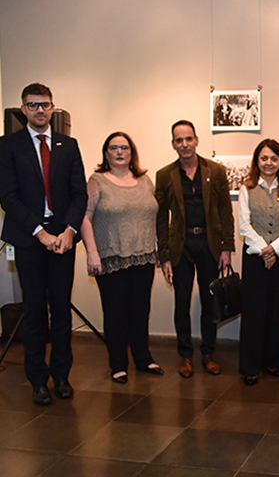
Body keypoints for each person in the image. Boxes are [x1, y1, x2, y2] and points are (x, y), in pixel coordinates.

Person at [0, 83, 87, 405]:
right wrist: (41, 233)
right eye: (33, 105)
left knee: (62, 311)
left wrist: (68, 231)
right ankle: (37, 380)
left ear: (52, 108)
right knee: (35, 312)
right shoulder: (8, 146)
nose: (40, 110)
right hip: (30, 239)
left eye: (45, 105)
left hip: (63, 238)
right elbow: (8, 197)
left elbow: (80, 193)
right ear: (23, 109)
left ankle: (61, 376)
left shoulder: (69, 145)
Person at [80, 132, 163, 384]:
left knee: (140, 311)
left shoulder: (144, 180)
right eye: (113, 147)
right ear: (106, 153)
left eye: (124, 147)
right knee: (116, 313)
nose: (119, 152)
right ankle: (118, 364)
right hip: (111, 258)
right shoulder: (97, 181)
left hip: (144, 257)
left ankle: (143, 358)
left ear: (131, 152)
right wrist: (92, 252)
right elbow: (84, 217)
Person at [155, 120, 235, 378]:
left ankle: (208, 353)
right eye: (179, 140)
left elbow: (226, 211)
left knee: (210, 302)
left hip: (209, 245)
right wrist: (164, 255)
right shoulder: (164, 175)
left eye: (188, 139)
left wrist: (227, 247)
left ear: (197, 140)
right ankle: (185, 355)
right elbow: (160, 218)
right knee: (181, 302)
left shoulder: (216, 170)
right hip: (181, 246)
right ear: (173, 144)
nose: (185, 144)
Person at [237, 139, 279, 386]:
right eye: (264, 158)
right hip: (254, 259)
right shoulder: (246, 189)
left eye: (274, 158)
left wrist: (275, 248)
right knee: (253, 312)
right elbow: (243, 225)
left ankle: (272, 361)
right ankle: (250, 366)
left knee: (274, 310)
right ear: (257, 161)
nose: (269, 163)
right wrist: (264, 249)